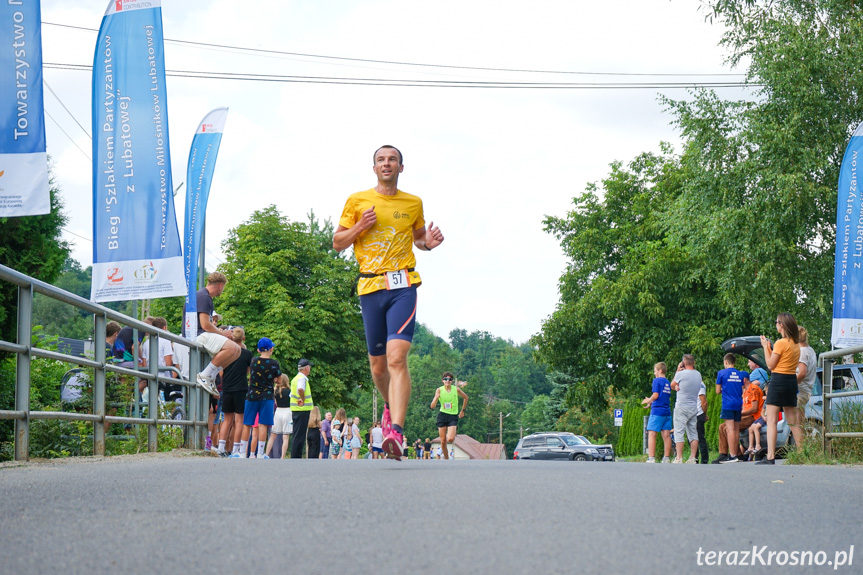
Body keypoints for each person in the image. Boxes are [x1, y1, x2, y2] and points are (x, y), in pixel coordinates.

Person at [333, 145, 445, 460]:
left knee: (397, 358)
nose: (387, 163)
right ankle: (389, 405)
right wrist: (359, 227)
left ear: (401, 167)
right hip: (370, 285)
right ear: (374, 168)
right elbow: (337, 242)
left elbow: (419, 237)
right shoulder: (357, 201)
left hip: (403, 284)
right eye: (381, 160)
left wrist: (427, 244)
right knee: (378, 367)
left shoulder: (413, 202)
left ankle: (395, 430)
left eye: (392, 159)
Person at [185, 272, 241, 397]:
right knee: (233, 348)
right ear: (220, 285)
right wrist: (223, 333)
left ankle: (210, 376)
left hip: (198, 333)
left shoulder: (203, 295)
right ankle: (205, 375)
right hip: (198, 334)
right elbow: (205, 325)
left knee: (237, 351)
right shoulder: (205, 297)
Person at [757, 312, 802, 465]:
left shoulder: (781, 343)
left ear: (781, 324)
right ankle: (803, 453)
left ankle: (770, 457)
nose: (776, 324)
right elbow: (779, 361)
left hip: (778, 381)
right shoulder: (795, 343)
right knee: (793, 421)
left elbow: (770, 365)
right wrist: (769, 348)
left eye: (777, 322)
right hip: (790, 381)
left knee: (771, 420)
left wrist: (764, 347)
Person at [232, 337, 280, 459]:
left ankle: (242, 452)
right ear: (271, 349)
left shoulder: (253, 361)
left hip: (252, 395)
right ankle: (260, 453)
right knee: (263, 424)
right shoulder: (274, 364)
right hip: (267, 396)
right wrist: (272, 379)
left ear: (258, 350)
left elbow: (250, 374)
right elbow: (279, 380)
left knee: (247, 423)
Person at [221, 327, 252, 457]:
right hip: (240, 388)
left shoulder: (226, 351)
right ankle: (235, 449)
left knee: (227, 419)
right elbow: (248, 371)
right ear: (243, 338)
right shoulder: (247, 354)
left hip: (227, 387)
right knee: (239, 420)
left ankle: (221, 447)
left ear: (231, 337)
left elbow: (221, 371)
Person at [715, 353, 748, 463]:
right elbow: (742, 388)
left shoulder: (722, 373)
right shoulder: (740, 374)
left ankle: (733, 455)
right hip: (738, 403)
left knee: (730, 429)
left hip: (728, 404)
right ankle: (736, 455)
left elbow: (717, 391)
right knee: (736, 429)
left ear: (726, 362)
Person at [670, 354, 702, 464]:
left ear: (683, 363)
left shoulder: (681, 374)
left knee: (679, 432)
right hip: (693, 406)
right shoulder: (698, 375)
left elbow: (672, 385)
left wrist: (677, 371)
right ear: (694, 362)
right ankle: (693, 457)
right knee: (693, 433)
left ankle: (679, 458)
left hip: (681, 407)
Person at [430, 371, 468, 460]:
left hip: (453, 416)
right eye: (445, 379)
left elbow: (466, 397)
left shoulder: (456, 389)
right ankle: (446, 459)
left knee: (450, 439)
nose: (447, 380)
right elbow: (432, 406)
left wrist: (462, 410)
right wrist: (436, 398)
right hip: (442, 415)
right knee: (443, 441)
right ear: (442, 380)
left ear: (451, 381)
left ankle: (451, 433)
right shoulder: (439, 390)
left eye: (449, 379)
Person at [641, 362, 672, 463]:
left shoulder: (656, 381)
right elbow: (662, 396)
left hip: (657, 411)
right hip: (667, 411)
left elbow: (656, 395)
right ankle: (666, 458)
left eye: (655, 371)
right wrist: (651, 402)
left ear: (660, 371)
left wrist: (648, 400)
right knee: (666, 435)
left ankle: (651, 458)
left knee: (652, 434)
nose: (654, 373)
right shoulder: (667, 382)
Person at [290, 359, 315, 459]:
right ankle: (296, 456)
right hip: (302, 409)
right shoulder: (302, 379)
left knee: (297, 433)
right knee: (300, 435)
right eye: (309, 367)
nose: (310, 370)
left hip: (296, 409)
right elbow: (300, 389)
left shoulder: (295, 378)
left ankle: (295, 455)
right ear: (306, 368)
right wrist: (302, 399)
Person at [267, 374, 293, 459]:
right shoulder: (290, 391)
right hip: (287, 411)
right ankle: (282, 456)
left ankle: (266, 454)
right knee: (285, 436)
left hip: (278, 412)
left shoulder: (276, 391)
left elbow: (276, 403)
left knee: (273, 435)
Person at [796, 326, 817, 429]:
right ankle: (803, 444)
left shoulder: (802, 352)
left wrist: (791, 384)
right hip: (806, 390)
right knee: (800, 422)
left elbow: (802, 373)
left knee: (796, 424)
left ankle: (801, 445)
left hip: (800, 391)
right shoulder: (810, 350)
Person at [695, 382, 709, 464]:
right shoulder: (701, 383)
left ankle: (702, 460)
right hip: (697, 414)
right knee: (698, 438)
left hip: (697, 413)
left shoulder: (699, 384)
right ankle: (697, 459)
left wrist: (704, 414)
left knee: (698, 438)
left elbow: (704, 402)